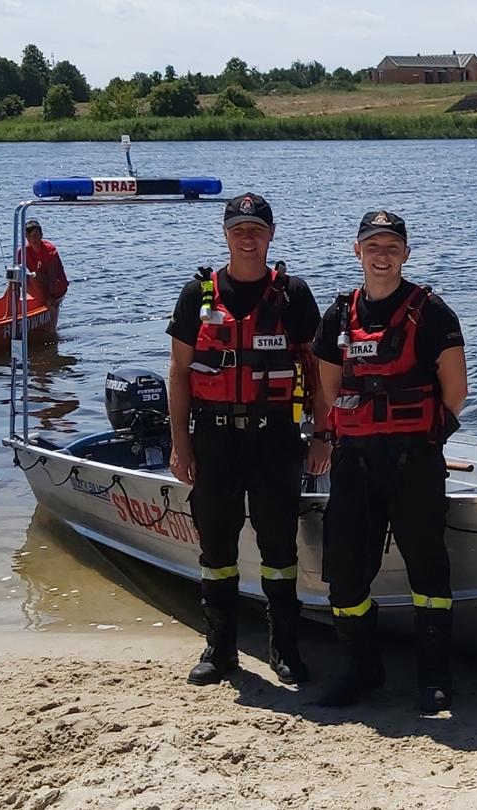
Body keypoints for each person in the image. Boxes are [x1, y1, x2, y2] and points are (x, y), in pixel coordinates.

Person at [164, 192, 327, 688]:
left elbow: (319, 372)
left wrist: (322, 434)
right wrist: (180, 444)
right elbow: (178, 372)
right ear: (226, 234)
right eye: (239, 229)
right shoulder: (198, 295)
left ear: (271, 233)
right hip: (214, 438)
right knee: (216, 547)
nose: (248, 237)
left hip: (277, 436)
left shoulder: (293, 294)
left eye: (256, 228)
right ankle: (220, 649)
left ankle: (285, 651)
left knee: (279, 548)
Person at [311, 210, 469, 713]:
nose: (382, 255)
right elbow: (329, 391)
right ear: (357, 252)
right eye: (372, 246)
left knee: (429, 568)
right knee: (345, 573)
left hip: (414, 461)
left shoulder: (433, 312)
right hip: (355, 460)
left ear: (406, 252)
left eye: (391, 246)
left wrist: (412, 431)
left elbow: (455, 394)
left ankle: (433, 678)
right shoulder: (337, 315)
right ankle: (363, 669)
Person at [19, 219, 70, 302]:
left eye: (35, 235)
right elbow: (15, 275)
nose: (33, 239)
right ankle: (11, 304)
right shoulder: (23, 252)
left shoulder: (49, 250)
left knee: (35, 276)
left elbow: (52, 277)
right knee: (18, 277)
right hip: (40, 285)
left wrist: (51, 297)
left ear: (41, 235)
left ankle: (46, 302)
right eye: (29, 236)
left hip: (57, 286)